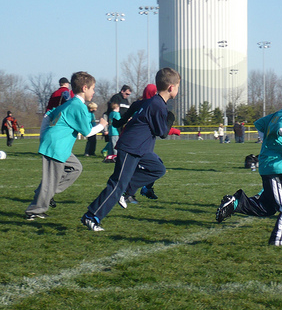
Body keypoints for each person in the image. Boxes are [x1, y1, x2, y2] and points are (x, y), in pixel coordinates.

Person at [81, 67, 180, 231]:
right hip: (131, 148)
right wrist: (170, 118)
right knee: (117, 183)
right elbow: (162, 132)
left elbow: (134, 106)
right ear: (171, 88)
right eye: (177, 86)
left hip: (141, 149)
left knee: (158, 169)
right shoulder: (157, 105)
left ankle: (126, 190)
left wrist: (119, 122)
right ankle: (91, 216)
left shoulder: (150, 102)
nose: (177, 89)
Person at [215, 79, 282, 246]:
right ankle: (281, 240)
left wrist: (271, 140)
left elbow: (259, 124)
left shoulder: (278, 113)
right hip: (277, 168)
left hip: (270, 165)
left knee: (267, 206)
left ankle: (235, 203)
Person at [25, 72, 107, 220]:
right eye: (92, 88)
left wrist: (44, 136)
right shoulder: (77, 105)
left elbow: (49, 115)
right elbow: (87, 132)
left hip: (58, 145)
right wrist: (101, 125)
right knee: (50, 180)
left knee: (75, 168)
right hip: (56, 146)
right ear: (84, 88)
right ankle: (34, 211)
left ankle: (45, 193)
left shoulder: (71, 104)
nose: (94, 92)